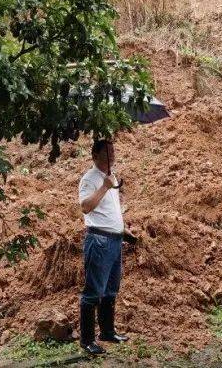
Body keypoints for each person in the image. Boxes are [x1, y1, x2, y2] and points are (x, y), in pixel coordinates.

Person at [77, 139, 130, 355]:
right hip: (99, 240)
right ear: (95, 156)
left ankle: (107, 331)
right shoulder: (90, 179)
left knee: (111, 288)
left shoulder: (111, 177)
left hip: (115, 239)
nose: (112, 155)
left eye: (113, 150)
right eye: (107, 151)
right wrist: (104, 187)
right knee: (93, 291)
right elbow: (86, 207)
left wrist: (122, 228)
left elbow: (110, 209)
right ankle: (87, 340)